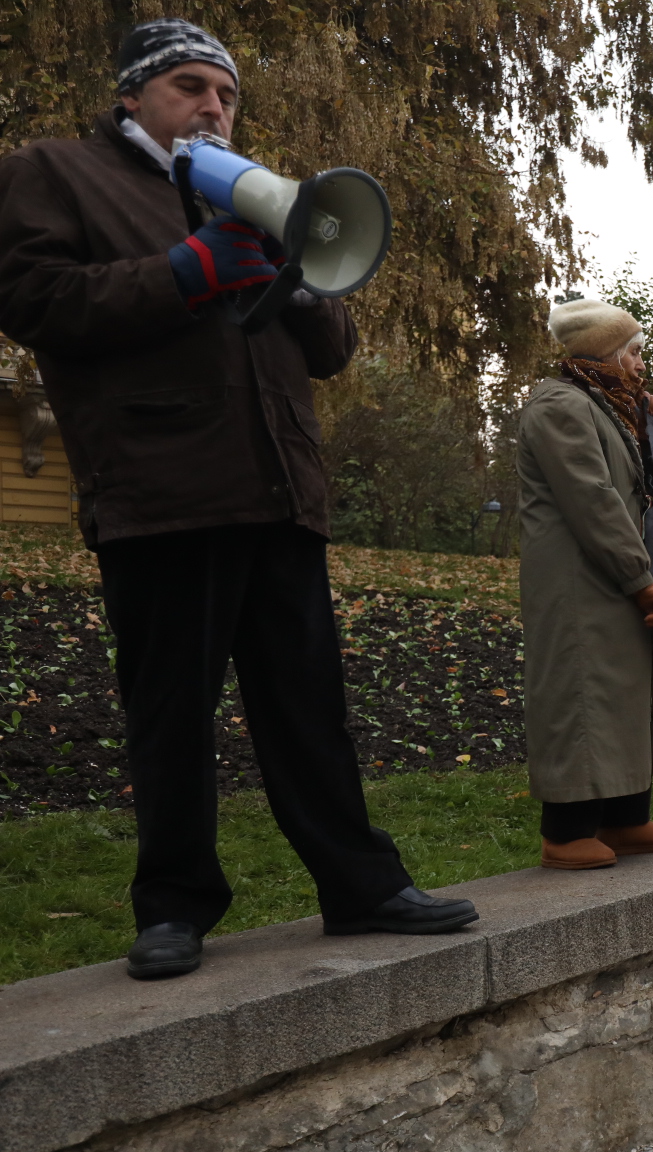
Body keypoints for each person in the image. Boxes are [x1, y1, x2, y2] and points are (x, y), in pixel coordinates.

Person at [0, 19, 478, 979]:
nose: (213, 106)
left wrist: (300, 287)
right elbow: (35, 300)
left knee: (310, 704)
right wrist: (186, 270)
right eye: (189, 87)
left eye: (226, 94)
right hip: (162, 488)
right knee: (172, 709)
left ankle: (361, 886)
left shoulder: (256, 193)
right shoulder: (57, 171)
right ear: (133, 96)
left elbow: (334, 353)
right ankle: (174, 906)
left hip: (277, 488)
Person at [517, 297, 653, 869]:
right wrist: (639, 578)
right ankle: (564, 833)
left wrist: (641, 414)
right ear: (603, 353)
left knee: (623, 692)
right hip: (578, 580)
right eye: (634, 353)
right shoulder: (560, 406)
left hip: (610, 574)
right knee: (580, 693)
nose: (642, 365)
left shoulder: (608, 407)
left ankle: (625, 819)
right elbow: (593, 500)